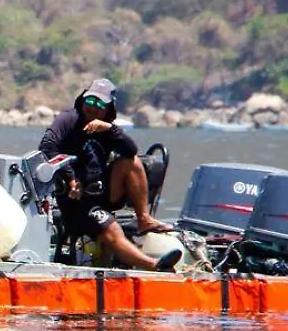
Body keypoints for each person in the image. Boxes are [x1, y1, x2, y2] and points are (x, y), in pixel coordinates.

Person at [39, 78, 181, 271]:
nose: (93, 108)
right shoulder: (69, 119)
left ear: (108, 108)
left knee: (132, 161)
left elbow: (131, 149)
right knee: (111, 229)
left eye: (100, 104)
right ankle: (155, 266)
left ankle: (144, 220)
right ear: (83, 100)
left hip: (103, 192)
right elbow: (47, 147)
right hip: (78, 202)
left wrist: (110, 129)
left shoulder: (106, 128)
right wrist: (70, 177)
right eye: (90, 102)